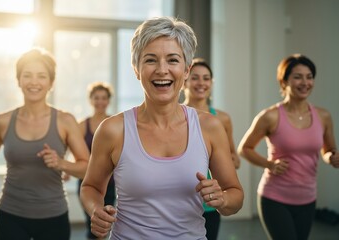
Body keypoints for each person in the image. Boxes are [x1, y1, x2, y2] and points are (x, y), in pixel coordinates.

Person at [80, 16, 244, 239]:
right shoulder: (113, 130)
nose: (162, 70)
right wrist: (96, 210)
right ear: (136, 69)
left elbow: (235, 195)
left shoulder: (210, 127)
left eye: (172, 60)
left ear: (186, 70)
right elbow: (91, 187)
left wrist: (223, 200)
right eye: (150, 60)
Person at [0, 48, 89, 240]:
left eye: (41, 76)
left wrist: (61, 164)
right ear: (18, 80)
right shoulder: (2, 121)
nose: (34, 82)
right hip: (10, 215)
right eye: (27, 75)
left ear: (51, 83)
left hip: (53, 217)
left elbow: (88, 168)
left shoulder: (65, 121)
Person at [238, 54, 339, 240]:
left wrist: (332, 157)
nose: (305, 82)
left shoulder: (323, 116)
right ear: (284, 82)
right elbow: (244, 148)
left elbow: (328, 150)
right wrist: (269, 164)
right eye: (298, 77)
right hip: (275, 198)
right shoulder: (270, 116)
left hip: (308, 198)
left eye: (309, 77)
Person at [183, 57, 241, 240]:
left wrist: (224, 162)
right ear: (184, 80)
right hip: (180, 199)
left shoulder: (222, 119)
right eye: (195, 77)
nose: (201, 83)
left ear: (212, 83)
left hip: (210, 202)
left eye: (206, 78)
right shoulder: (174, 115)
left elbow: (234, 158)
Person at [77, 82, 116, 239]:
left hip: (110, 182)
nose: (100, 101)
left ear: (108, 100)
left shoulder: (115, 124)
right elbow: (72, 150)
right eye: (96, 98)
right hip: (87, 181)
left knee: (105, 225)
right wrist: (66, 170)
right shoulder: (82, 126)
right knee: (92, 224)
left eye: (104, 98)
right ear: (90, 100)